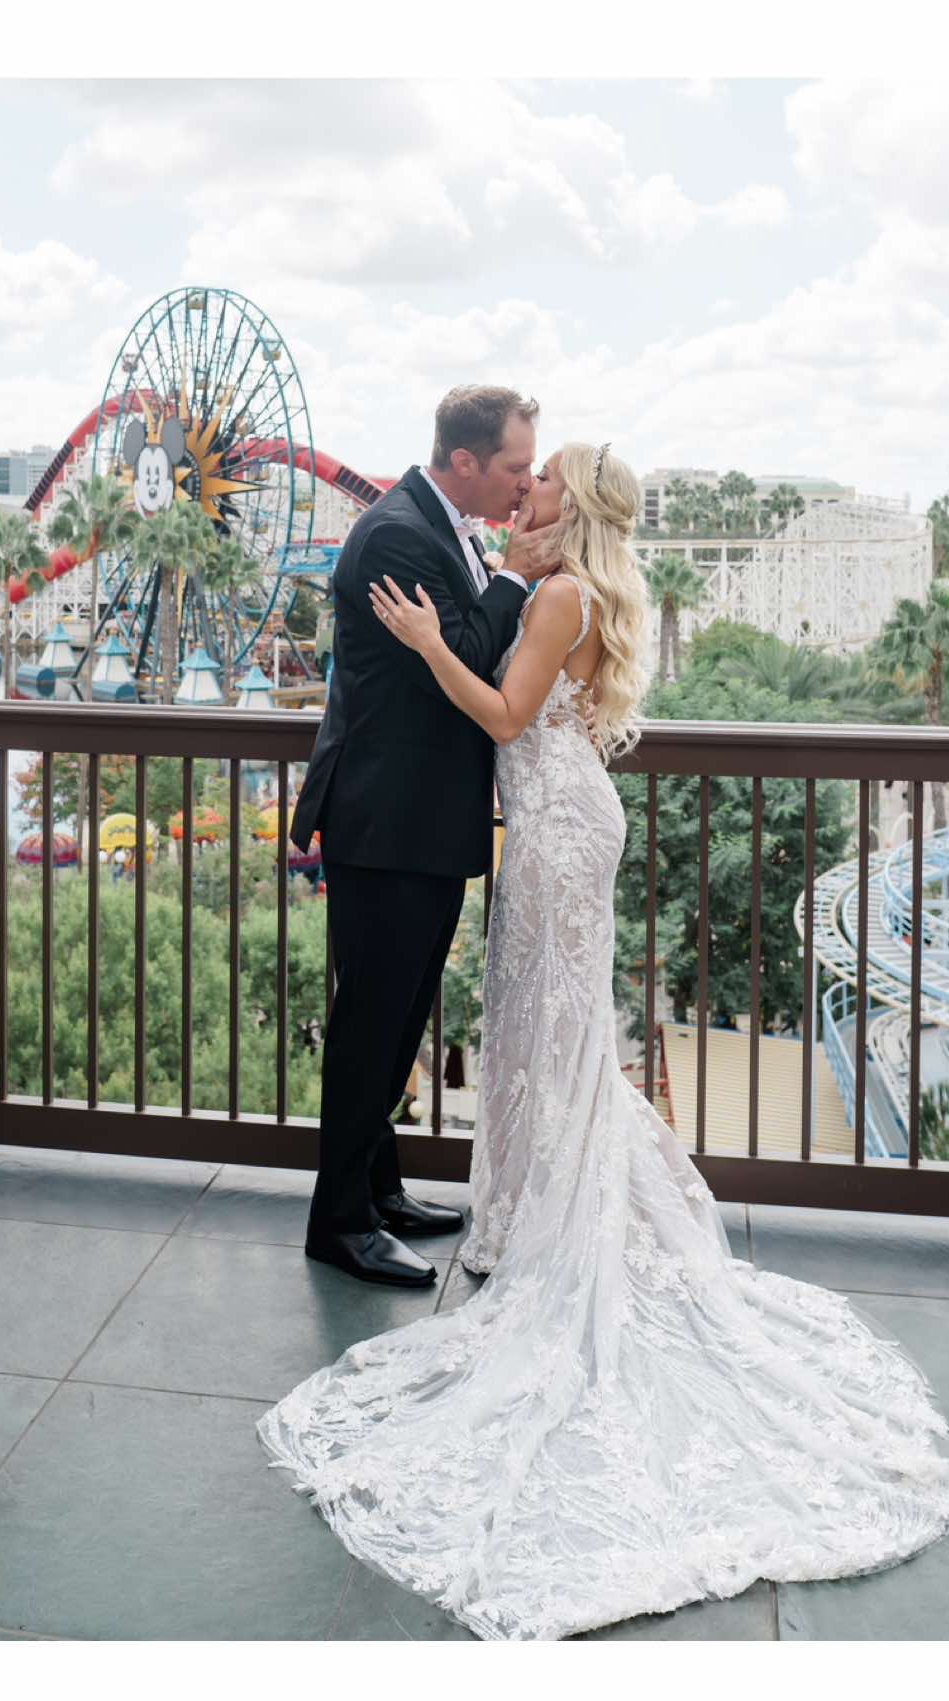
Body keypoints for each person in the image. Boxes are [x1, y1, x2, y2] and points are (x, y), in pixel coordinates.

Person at [258, 442, 949, 1641]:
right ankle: (540, 1205)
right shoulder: (570, 588)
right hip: (557, 823)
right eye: (520, 477)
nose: (522, 491)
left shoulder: (558, 596)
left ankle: (551, 1218)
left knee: (548, 1033)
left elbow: (501, 708)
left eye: (540, 485)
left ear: (570, 509)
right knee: (552, 1034)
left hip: (550, 835)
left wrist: (431, 641)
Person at [289, 385, 558, 1287]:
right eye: (516, 465)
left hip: (415, 817)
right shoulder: (399, 535)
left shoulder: (437, 525)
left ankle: (381, 1187)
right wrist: (517, 576)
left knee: (399, 1015)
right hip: (387, 818)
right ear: (466, 461)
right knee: (373, 1020)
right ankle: (340, 1222)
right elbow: (473, 654)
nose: (525, 482)